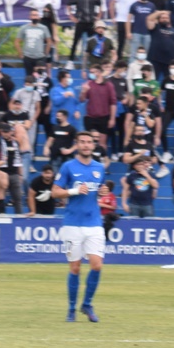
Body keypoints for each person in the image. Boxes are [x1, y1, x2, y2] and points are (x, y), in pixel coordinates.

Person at [51, 132, 108, 322]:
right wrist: (74, 190)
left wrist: (102, 191)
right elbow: (54, 192)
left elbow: (97, 192)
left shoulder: (99, 167)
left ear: (94, 145)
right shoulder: (68, 166)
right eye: (82, 142)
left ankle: (87, 304)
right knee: (75, 268)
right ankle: (71, 309)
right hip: (72, 224)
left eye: (89, 142)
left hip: (94, 223)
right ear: (77, 145)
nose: (86, 145)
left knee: (97, 265)